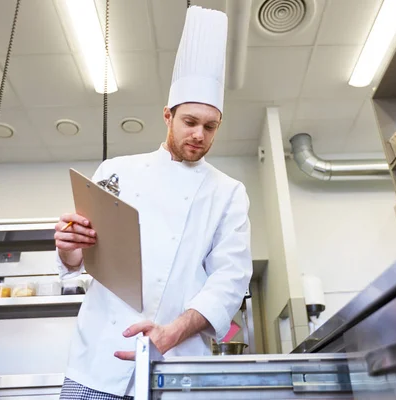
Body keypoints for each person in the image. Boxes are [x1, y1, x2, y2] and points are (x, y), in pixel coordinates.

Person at [54, 6, 253, 400]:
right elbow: (83, 258)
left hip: (176, 366)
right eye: (189, 122)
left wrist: (172, 332)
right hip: (97, 362)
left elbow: (230, 279)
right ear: (168, 116)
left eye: (209, 127)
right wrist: (68, 249)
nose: (199, 134)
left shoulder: (228, 192)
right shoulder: (118, 171)